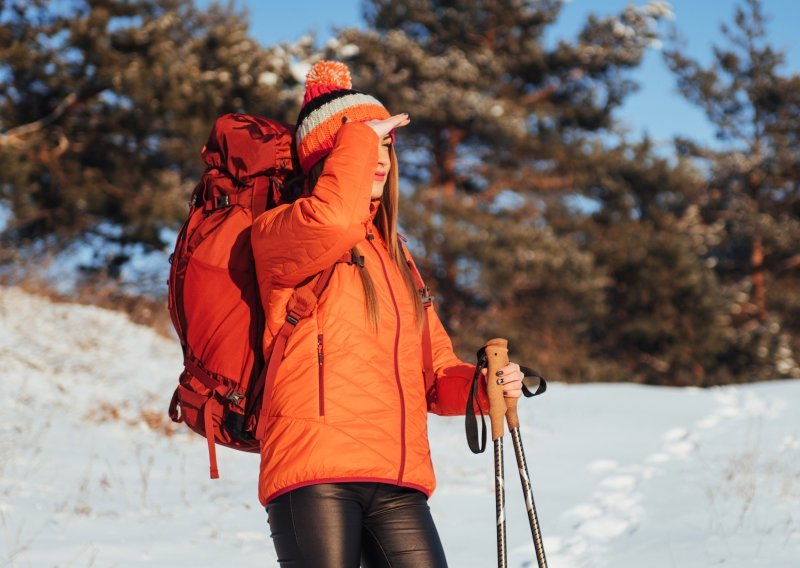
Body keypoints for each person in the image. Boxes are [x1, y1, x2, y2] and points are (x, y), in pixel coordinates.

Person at [251, 60, 525, 568]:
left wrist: (482, 387)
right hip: (315, 469)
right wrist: (358, 138)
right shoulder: (281, 231)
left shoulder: (397, 258)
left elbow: (434, 371)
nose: (378, 157)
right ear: (327, 157)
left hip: (397, 475)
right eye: (361, 143)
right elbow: (332, 220)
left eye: (384, 145)